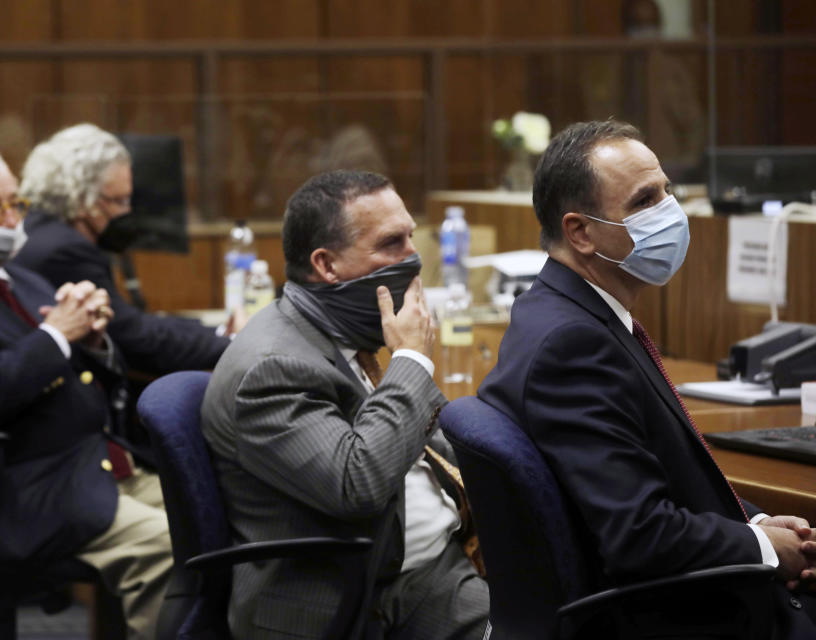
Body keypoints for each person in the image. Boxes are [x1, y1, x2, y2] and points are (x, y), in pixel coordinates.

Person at [477, 120, 816, 637]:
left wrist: (755, 525)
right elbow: (639, 534)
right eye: (643, 201)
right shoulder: (573, 345)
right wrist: (766, 549)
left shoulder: (566, 312)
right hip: (683, 617)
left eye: (666, 192)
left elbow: (659, 481)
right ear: (581, 232)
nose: (669, 213)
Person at [0, 143, 172, 640]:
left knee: (218, 517)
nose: (9, 218)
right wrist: (58, 334)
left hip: (96, 461)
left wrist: (96, 337)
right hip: (25, 487)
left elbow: (86, 374)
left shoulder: (20, 279)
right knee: (171, 547)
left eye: (15, 203)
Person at [201, 170, 489, 640]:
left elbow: (422, 441)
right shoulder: (272, 367)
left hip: (427, 569)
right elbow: (358, 484)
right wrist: (412, 358)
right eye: (391, 243)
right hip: (347, 602)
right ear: (326, 265)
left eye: (411, 238)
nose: (413, 258)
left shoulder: (345, 338)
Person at [15, 123, 235, 377]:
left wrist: (217, 330)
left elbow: (133, 321)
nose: (126, 212)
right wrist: (232, 342)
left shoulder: (38, 229)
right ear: (81, 198)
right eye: (118, 201)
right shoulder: (66, 251)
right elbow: (135, 338)